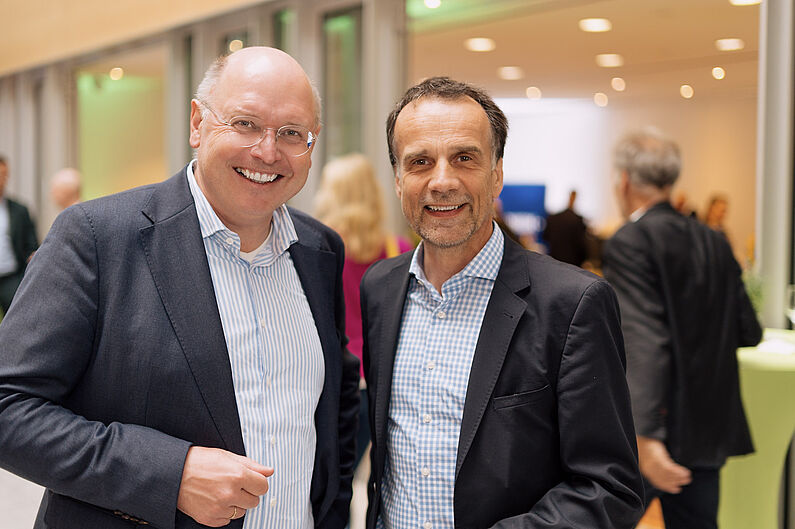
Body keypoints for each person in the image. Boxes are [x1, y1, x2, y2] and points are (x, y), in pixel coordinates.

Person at [0, 47, 359, 529]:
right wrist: (170, 475)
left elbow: (334, 411)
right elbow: (9, 406)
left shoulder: (319, 251)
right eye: (245, 124)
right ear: (197, 123)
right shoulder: (98, 238)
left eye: (292, 133)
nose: (267, 151)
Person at [360, 76, 644, 529]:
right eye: (420, 162)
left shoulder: (572, 304)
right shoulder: (380, 289)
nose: (442, 181)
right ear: (398, 180)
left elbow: (609, 488)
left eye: (464, 158)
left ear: (497, 174)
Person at [602, 129, 762, 529]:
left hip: (656, 431)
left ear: (624, 181)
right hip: (707, 429)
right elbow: (748, 329)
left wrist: (646, 436)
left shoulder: (630, 240)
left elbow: (644, 340)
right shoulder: (713, 240)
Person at [314, 153, 412, 469]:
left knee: (330, 473)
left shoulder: (318, 250)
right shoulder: (398, 249)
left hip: (333, 380)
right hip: (381, 379)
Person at [0, 156, 38, 314]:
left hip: (11, 276)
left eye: (4, 175)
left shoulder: (20, 210)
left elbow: (32, 244)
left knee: (19, 316)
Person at [542, 189, 588, 266]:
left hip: (554, 261)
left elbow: (545, 237)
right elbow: (581, 244)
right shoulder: (577, 220)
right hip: (572, 263)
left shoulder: (553, 218)